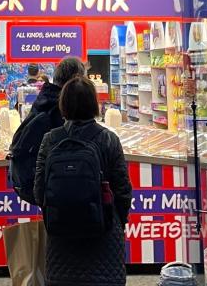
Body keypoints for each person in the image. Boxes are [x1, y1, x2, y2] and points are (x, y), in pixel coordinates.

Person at [34, 76, 132, 286]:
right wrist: (116, 222)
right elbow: (122, 190)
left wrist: (59, 211)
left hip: (61, 240)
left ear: (63, 104)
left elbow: (39, 190)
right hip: (103, 237)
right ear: (94, 103)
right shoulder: (108, 139)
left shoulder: (51, 139)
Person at [8, 56, 85, 203]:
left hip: (31, 182)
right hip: (52, 187)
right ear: (75, 79)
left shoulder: (44, 99)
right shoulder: (61, 108)